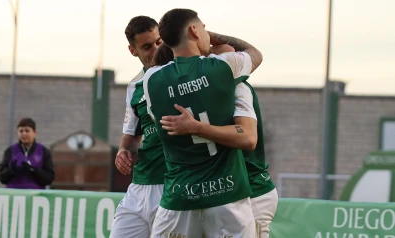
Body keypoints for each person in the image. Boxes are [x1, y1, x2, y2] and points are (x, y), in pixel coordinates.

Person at [143, 8, 263, 238]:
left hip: (179, 198)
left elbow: (154, 117)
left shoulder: (151, 80)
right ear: (194, 30)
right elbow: (254, 53)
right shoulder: (224, 67)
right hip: (227, 196)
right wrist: (218, 38)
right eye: (204, 28)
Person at [157, 44, 278, 238]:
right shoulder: (205, 90)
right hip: (221, 191)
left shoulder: (238, 88)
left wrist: (196, 127)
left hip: (251, 189)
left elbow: (248, 138)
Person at [109, 16, 166, 238]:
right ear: (133, 51)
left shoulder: (179, 75)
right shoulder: (134, 86)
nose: (156, 49)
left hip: (171, 184)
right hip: (139, 186)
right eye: (147, 46)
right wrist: (123, 152)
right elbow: (131, 137)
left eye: (159, 42)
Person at [0, 117, 54, 189]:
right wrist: (11, 169)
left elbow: (49, 178)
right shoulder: (10, 151)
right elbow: (1, 177)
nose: (23, 134)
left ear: (34, 132)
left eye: (27, 131)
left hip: (36, 196)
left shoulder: (43, 151)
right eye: (21, 131)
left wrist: (33, 170)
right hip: (14, 195)